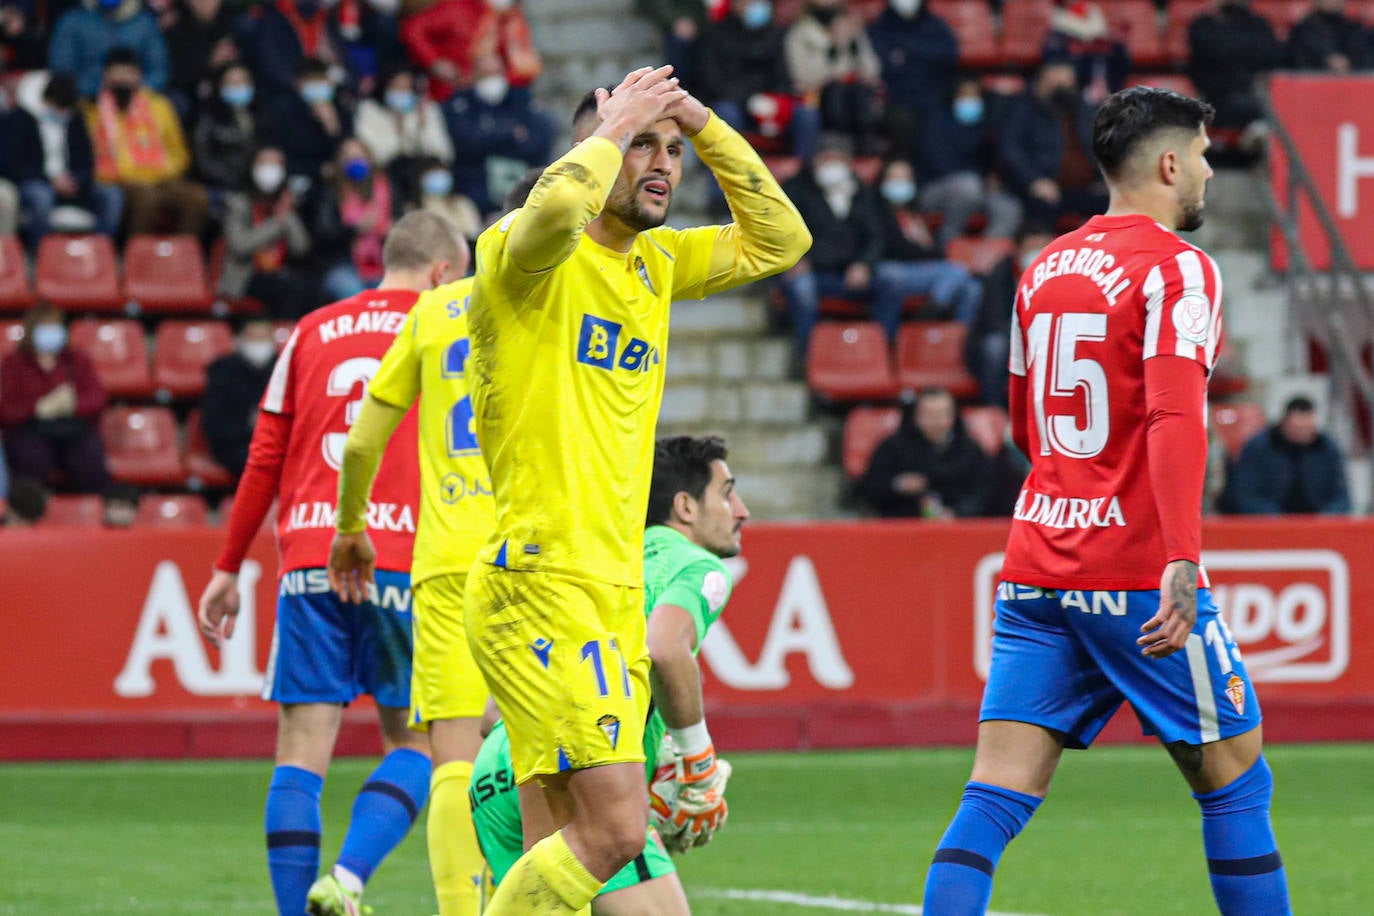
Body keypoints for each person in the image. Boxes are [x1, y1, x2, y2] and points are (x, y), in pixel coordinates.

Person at [921, 87, 1291, 914]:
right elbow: (1172, 416)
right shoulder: (1179, 267)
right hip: (1129, 568)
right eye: (1199, 156)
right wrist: (1181, 557)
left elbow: (1024, 422)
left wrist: (1075, 490)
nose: (1205, 172)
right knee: (1236, 781)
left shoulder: (1042, 267)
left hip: (1037, 561)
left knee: (994, 792)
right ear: (1168, 164)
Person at [465, 66, 809, 914]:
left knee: (564, 848)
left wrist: (702, 120)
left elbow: (780, 239)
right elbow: (550, 213)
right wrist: (611, 129)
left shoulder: (656, 263)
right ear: (595, 146)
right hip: (542, 580)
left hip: (605, 589)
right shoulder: (524, 255)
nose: (661, 162)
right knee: (617, 832)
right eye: (641, 146)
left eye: (671, 150)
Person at [196, 211, 468, 916]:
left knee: (300, 753)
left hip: (313, 557)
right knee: (420, 742)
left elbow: (265, 456)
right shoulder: (450, 326)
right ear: (442, 272)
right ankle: (345, 878)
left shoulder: (312, 330)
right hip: (408, 559)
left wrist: (228, 567)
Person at [471, 435, 749, 914]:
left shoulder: (607, 561)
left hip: (501, 771)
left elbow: (491, 712)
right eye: (726, 492)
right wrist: (695, 761)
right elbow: (664, 648)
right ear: (684, 507)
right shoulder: (696, 566)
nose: (740, 510)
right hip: (586, 769)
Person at [327, 229, 502, 915]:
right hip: (540, 555)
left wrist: (350, 528)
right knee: (553, 753)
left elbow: (364, 437)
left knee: (452, 755)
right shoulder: (560, 302)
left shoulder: (433, 312)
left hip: (450, 556)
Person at [83, 47, 208, 237]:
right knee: (146, 198)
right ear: (105, 76)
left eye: (129, 73)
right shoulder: (91, 110)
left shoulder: (160, 107)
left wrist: (164, 172)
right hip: (114, 180)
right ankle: (136, 258)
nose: (123, 79)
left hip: (160, 177)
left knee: (197, 197)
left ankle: (181, 256)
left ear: (139, 76)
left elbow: (179, 152)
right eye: (117, 73)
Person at [778, 133, 884, 354]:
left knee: (893, 281)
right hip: (814, 272)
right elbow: (781, 233)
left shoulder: (863, 193)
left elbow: (876, 236)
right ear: (815, 160)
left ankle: (884, 349)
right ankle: (808, 356)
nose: (832, 166)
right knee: (802, 288)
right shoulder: (796, 189)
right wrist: (797, 261)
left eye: (838, 160)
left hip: (853, 272)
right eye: (827, 159)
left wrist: (865, 264)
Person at [0, 304, 110, 494]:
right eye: (45, 328)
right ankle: (28, 514)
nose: (51, 333)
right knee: (31, 456)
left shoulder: (76, 359)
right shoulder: (14, 363)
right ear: (32, 331)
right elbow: (6, 408)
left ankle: (96, 513)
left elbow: (98, 397)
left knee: (89, 455)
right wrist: (37, 408)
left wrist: (73, 404)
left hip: (72, 428)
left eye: (55, 327)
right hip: (30, 429)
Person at [7, 73, 123, 249]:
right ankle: (37, 255)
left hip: (73, 183)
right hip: (37, 181)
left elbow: (87, 162)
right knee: (41, 198)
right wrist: (50, 180)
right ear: (47, 100)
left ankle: (99, 252)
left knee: (112, 196)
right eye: (60, 109)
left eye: (68, 110)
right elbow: (11, 164)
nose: (64, 115)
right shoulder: (20, 119)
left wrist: (76, 179)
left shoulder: (75, 120)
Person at [697, 0, 822, 161]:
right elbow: (711, 82)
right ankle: (725, 175)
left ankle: (802, 173)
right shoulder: (714, 35)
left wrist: (774, 101)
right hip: (735, 104)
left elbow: (784, 78)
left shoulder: (773, 34)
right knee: (725, 113)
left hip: (770, 104)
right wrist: (749, 101)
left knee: (807, 115)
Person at [873, 158, 984, 330]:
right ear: (882, 181)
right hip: (892, 268)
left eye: (905, 179)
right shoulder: (875, 211)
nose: (900, 184)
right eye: (894, 179)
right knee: (955, 272)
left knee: (972, 288)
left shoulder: (914, 213)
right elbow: (895, 248)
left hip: (920, 270)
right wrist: (922, 249)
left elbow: (932, 250)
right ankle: (925, 318)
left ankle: (959, 346)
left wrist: (924, 248)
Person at [913, 75, 1023, 244]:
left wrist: (992, 176)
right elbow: (938, 164)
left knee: (1008, 208)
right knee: (968, 186)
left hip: (978, 187)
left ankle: (989, 261)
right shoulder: (935, 122)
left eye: (975, 96)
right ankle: (947, 244)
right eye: (964, 95)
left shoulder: (986, 124)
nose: (970, 101)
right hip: (936, 188)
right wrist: (979, 178)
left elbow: (994, 159)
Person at [999, 58, 1106, 232]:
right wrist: (1034, 181)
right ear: (1044, 81)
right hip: (1045, 186)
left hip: (1086, 187)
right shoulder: (1024, 109)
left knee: (1113, 204)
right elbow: (1011, 149)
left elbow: (1102, 145)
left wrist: (1107, 178)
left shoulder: (1083, 109)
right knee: (1040, 208)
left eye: (1069, 80)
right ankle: (1037, 254)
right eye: (1061, 81)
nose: (1067, 85)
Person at [444, 52, 555, 214]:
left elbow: (536, 142)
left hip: (522, 186)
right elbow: (466, 143)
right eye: (485, 75)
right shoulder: (461, 102)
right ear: (474, 75)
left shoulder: (520, 98)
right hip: (475, 189)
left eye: (495, 73)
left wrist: (488, 138)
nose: (492, 80)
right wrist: (510, 135)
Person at [861, 387, 988, 518]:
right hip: (905, 525)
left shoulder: (969, 449)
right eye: (929, 414)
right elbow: (870, 487)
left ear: (954, 415)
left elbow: (983, 492)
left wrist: (957, 513)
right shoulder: (893, 447)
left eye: (943, 413)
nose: (936, 421)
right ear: (916, 415)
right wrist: (898, 484)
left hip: (959, 526)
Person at [965, 226, 1056, 406]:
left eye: (1043, 248)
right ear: (1018, 249)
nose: (1038, 254)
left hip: (1044, 335)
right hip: (1006, 336)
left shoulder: (1057, 273)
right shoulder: (1001, 274)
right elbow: (993, 319)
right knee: (994, 347)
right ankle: (994, 407)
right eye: (1033, 248)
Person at [219, 146, 313, 318]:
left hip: (280, 273)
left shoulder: (286, 204)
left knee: (309, 287)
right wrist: (277, 224)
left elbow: (301, 248)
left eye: (275, 165)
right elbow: (240, 246)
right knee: (286, 289)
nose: (269, 170)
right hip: (247, 276)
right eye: (264, 163)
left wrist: (289, 214)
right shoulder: (237, 204)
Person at [1220, 396, 1351, 515]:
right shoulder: (1258, 448)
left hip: (1315, 523)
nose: (1303, 434)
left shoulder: (1327, 448)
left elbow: (1341, 495)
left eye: (1307, 429)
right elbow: (1245, 493)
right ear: (1285, 424)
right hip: (1268, 523)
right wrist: (1276, 518)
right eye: (1297, 428)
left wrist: (1325, 517)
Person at [1187, 0, 1286, 149]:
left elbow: (1272, 55)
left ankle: (1260, 133)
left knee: (1276, 101)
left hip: (1254, 91)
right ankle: (1260, 130)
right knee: (1257, 107)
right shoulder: (1202, 25)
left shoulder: (1258, 24)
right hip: (1217, 96)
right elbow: (1214, 52)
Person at [785, 0, 884, 146]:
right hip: (821, 99)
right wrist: (835, 47)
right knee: (836, 92)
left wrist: (853, 43)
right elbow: (805, 76)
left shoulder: (852, 30)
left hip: (856, 99)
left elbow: (872, 70)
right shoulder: (800, 33)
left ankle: (865, 143)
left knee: (861, 94)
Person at [355, 66, 454, 207]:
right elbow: (376, 155)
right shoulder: (369, 110)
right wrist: (397, 130)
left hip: (421, 173)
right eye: (396, 87)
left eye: (407, 88)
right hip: (387, 174)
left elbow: (443, 153)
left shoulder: (426, 110)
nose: (401, 92)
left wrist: (421, 127)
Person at [309, 138, 393, 302]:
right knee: (354, 293)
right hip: (342, 265)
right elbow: (323, 235)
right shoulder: (329, 192)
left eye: (359, 155)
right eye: (348, 156)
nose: (355, 160)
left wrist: (391, 231)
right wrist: (355, 230)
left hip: (384, 264)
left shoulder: (387, 189)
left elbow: (401, 225)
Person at [868, 0, 961, 140]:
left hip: (936, 100)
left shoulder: (936, 25)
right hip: (897, 102)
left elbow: (950, 55)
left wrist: (906, 50)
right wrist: (926, 52)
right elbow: (885, 65)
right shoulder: (879, 28)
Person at [200, 320, 279, 477]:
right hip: (236, 444)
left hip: (276, 443)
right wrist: (250, 423)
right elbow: (212, 422)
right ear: (240, 339)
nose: (259, 344)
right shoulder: (222, 371)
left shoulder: (283, 368)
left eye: (264, 338)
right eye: (254, 338)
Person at [48, 0, 169, 99]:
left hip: (138, 103)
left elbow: (159, 71)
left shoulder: (145, 24)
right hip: (85, 104)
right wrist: (100, 91)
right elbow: (62, 72)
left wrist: (131, 90)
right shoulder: (72, 22)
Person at [267, 57, 352, 185]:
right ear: (298, 85)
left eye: (321, 80)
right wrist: (317, 169)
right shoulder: (285, 111)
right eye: (312, 81)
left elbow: (349, 150)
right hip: (298, 177)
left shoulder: (340, 109)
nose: (318, 86)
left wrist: (333, 128)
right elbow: (283, 155)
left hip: (336, 176)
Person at [193, 62, 263, 196]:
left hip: (255, 183)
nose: (238, 87)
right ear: (220, 86)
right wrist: (230, 178)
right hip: (221, 183)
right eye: (232, 82)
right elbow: (202, 157)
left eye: (242, 81)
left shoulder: (262, 114)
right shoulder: (208, 116)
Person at [1289, 0, 1373, 73]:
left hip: (1352, 86)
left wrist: (1349, 62)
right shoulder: (1302, 30)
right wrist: (1326, 61)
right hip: (1311, 87)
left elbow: (1366, 59)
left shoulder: (1355, 29)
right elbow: (1295, 62)